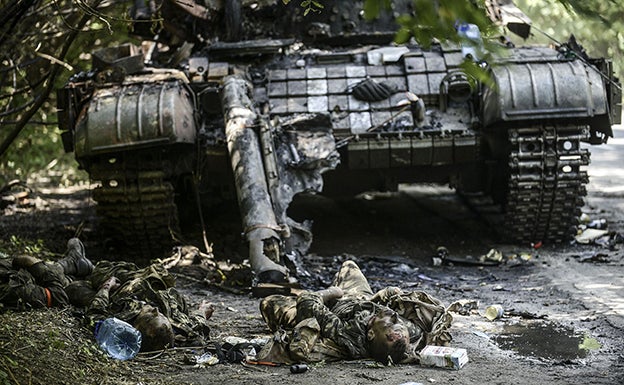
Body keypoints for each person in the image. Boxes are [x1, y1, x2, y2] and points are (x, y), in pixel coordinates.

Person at [0, 238, 210, 352]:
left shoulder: (121, 325)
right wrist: (201, 312)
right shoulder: (174, 328)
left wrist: (106, 289)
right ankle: (74, 263)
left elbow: (94, 313)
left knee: (73, 288)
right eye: (158, 313)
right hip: (130, 280)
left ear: (140, 330)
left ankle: (73, 264)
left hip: (109, 291)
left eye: (152, 315)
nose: (155, 309)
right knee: (93, 274)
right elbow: (194, 326)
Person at [258, 260, 452, 365]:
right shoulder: (406, 334)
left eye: (390, 322)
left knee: (269, 303)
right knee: (349, 265)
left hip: (334, 306)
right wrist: (383, 297)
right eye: (397, 320)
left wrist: (330, 293)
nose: (393, 316)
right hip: (361, 300)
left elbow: (308, 302)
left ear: (370, 333)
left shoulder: (343, 332)